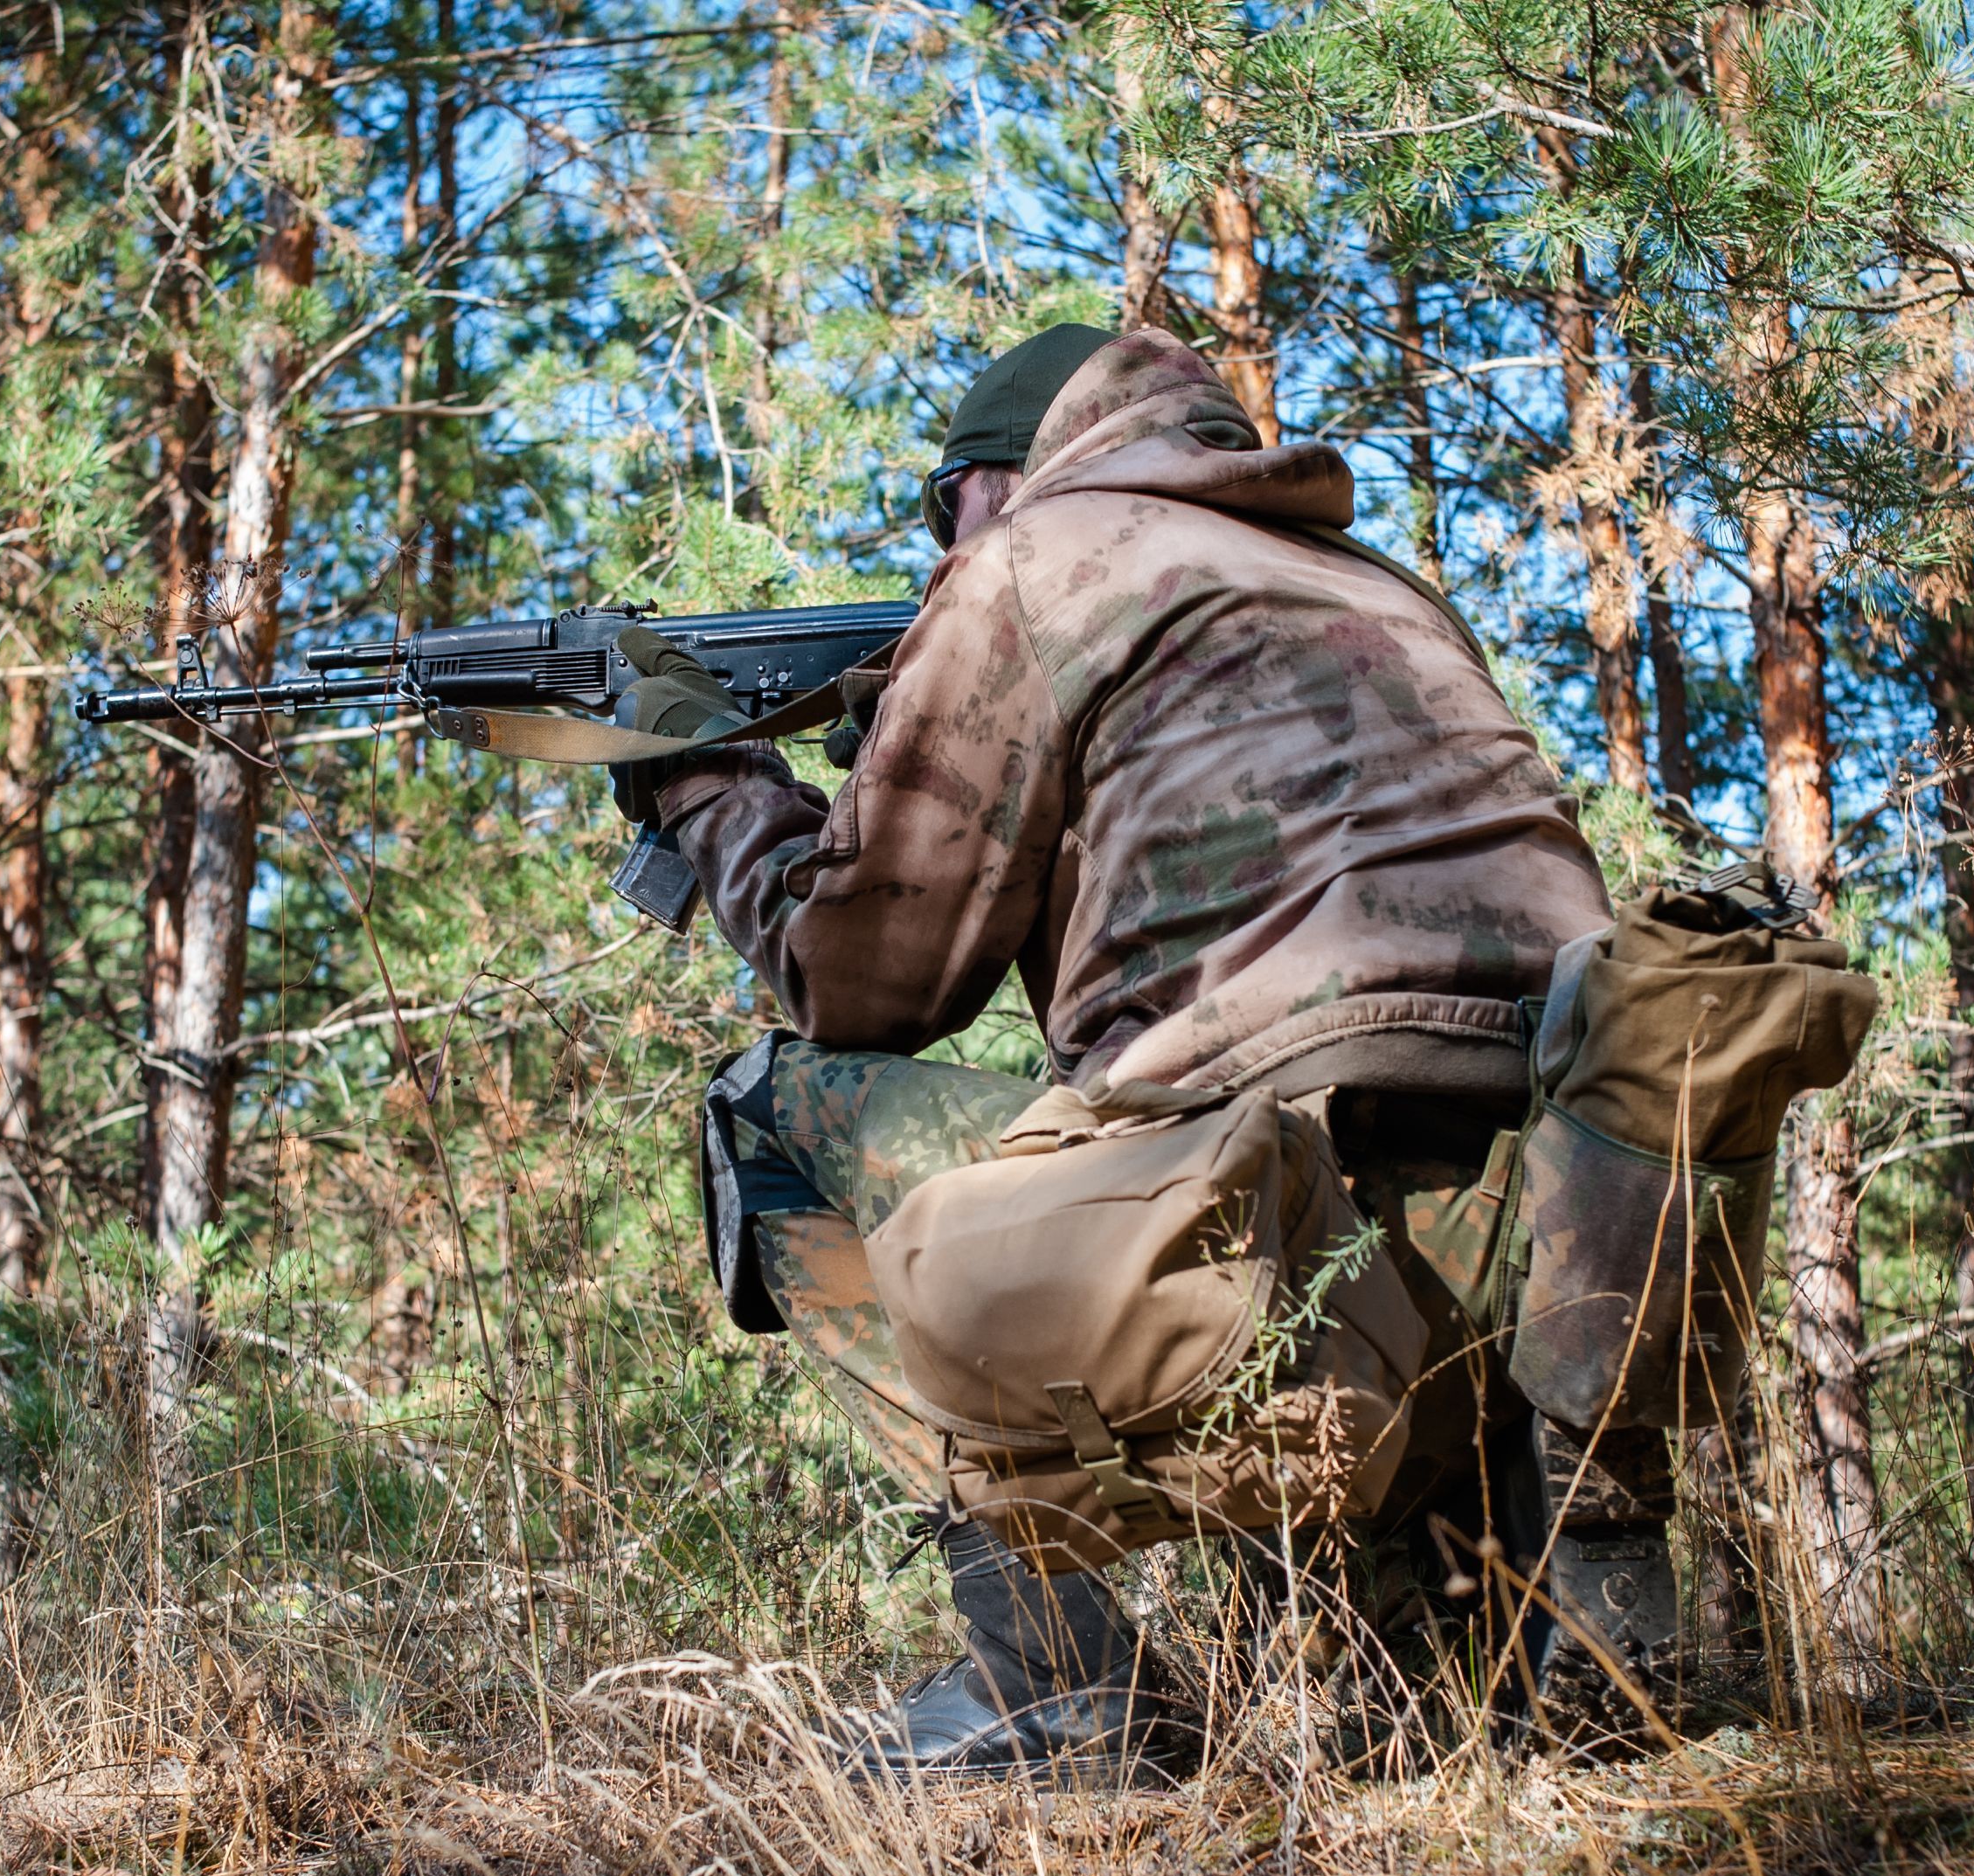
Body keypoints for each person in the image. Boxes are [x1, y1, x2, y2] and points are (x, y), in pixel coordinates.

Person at [610, 322, 1649, 1777]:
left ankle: (1057, 1686)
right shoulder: (1378, 582)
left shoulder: (1032, 561)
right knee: (1412, 1736)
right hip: (1533, 1248)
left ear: (1003, 478)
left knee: (773, 1114)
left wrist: (710, 789)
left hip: (1268, 1244)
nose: (933, 559)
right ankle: (1469, 1648)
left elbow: (858, 985)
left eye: (941, 514)